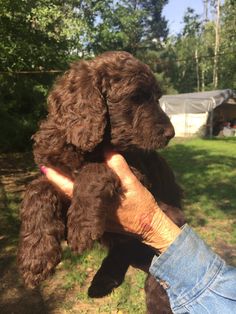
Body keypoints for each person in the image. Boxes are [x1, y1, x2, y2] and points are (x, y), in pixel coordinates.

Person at [40, 153, 236, 313]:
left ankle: (119, 258)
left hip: (164, 213)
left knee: (158, 294)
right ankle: (119, 258)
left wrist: (150, 225)